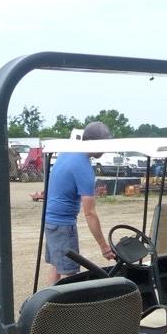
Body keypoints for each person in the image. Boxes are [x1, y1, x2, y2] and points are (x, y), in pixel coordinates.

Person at [42, 121, 113, 285]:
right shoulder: (84, 168)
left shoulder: (68, 152)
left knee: (56, 266)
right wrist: (103, 246)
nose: (106, 149)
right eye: (104, 144)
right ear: (95, 143)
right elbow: (89, 213)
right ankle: (65, 309)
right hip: (63, 225)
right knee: (71, 274)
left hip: (50, 221)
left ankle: (47, 305)